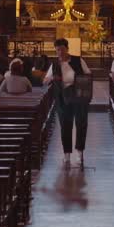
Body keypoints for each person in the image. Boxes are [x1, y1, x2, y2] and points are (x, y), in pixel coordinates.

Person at [43, 38, 92, 167]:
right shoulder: (54, 65)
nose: (60, 52)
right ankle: (66, 154)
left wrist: (78, 81)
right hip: (62, 98)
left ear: (67, 49)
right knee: (65, 125)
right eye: (58, 50)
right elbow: (45, 81)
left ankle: (80, 152)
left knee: (81, 123)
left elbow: (88, 75)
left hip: (79, 97)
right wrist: (52, 78)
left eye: (62, 49)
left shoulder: (78, 60)